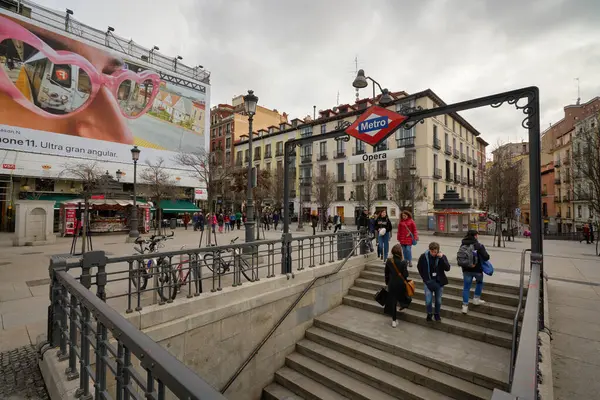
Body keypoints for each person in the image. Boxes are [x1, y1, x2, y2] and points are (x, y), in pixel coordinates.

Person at [416, 242, 451, 322]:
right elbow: (419, 267)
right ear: (429, 250)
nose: (433, 254)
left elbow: (447, 268)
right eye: (431, 251)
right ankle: (429, 313)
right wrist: (424, 279)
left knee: (438, 300)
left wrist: (442, 258)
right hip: (428, 282)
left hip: (439, 282)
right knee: (428, 300)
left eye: (435, 252)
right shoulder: (423, 256)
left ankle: (437, 314)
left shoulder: (442, 257)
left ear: (438, 251)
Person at [458, 230, 490, 314]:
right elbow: (486, 257)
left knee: (466, 288)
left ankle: (464, 306)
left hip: (466, 270)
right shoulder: (478, 245)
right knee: (479, 283)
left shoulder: (463, 244)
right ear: (475, 236)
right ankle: (476, 299)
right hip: (477, 270)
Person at [384, 244, 412, 328]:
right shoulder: (403, 262)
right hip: (400, 284)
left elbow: (386, 273)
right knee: (404, 296)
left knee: (393, 302)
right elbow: (405, 275)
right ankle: (404, 305)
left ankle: (394, 320)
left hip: (392, 284)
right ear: (400, 252)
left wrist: (387, 282)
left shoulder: (389, 261)